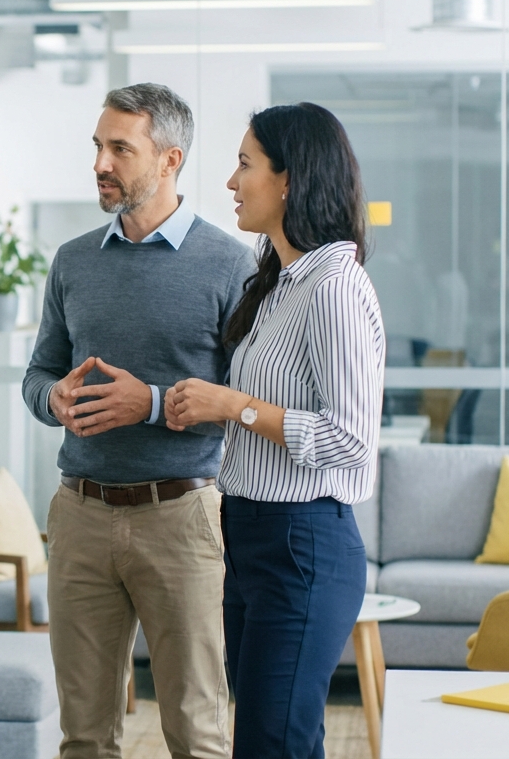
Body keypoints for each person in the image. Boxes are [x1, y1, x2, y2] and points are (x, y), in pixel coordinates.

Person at [22, 83, 253, 759]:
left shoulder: (229, 265)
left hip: (180, 517)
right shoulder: (71, 261)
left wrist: (148, 403)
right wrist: (52, 399)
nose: (101, 161)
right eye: (98, 145)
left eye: (120, 148)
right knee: (85, 735)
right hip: (80, 515)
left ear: (170, 158)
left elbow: (241, 406)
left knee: (197, 730)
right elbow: (38, 374)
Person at [164, 102, 385, 758]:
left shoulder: (336, 287)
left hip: (304, 543)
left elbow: (350, 438)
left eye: (244, 164)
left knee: (272, 741)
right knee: (267, 739)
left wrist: (235, 407)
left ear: (290, 179)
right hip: (254, 536)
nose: (231, 182)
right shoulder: (283, 284)